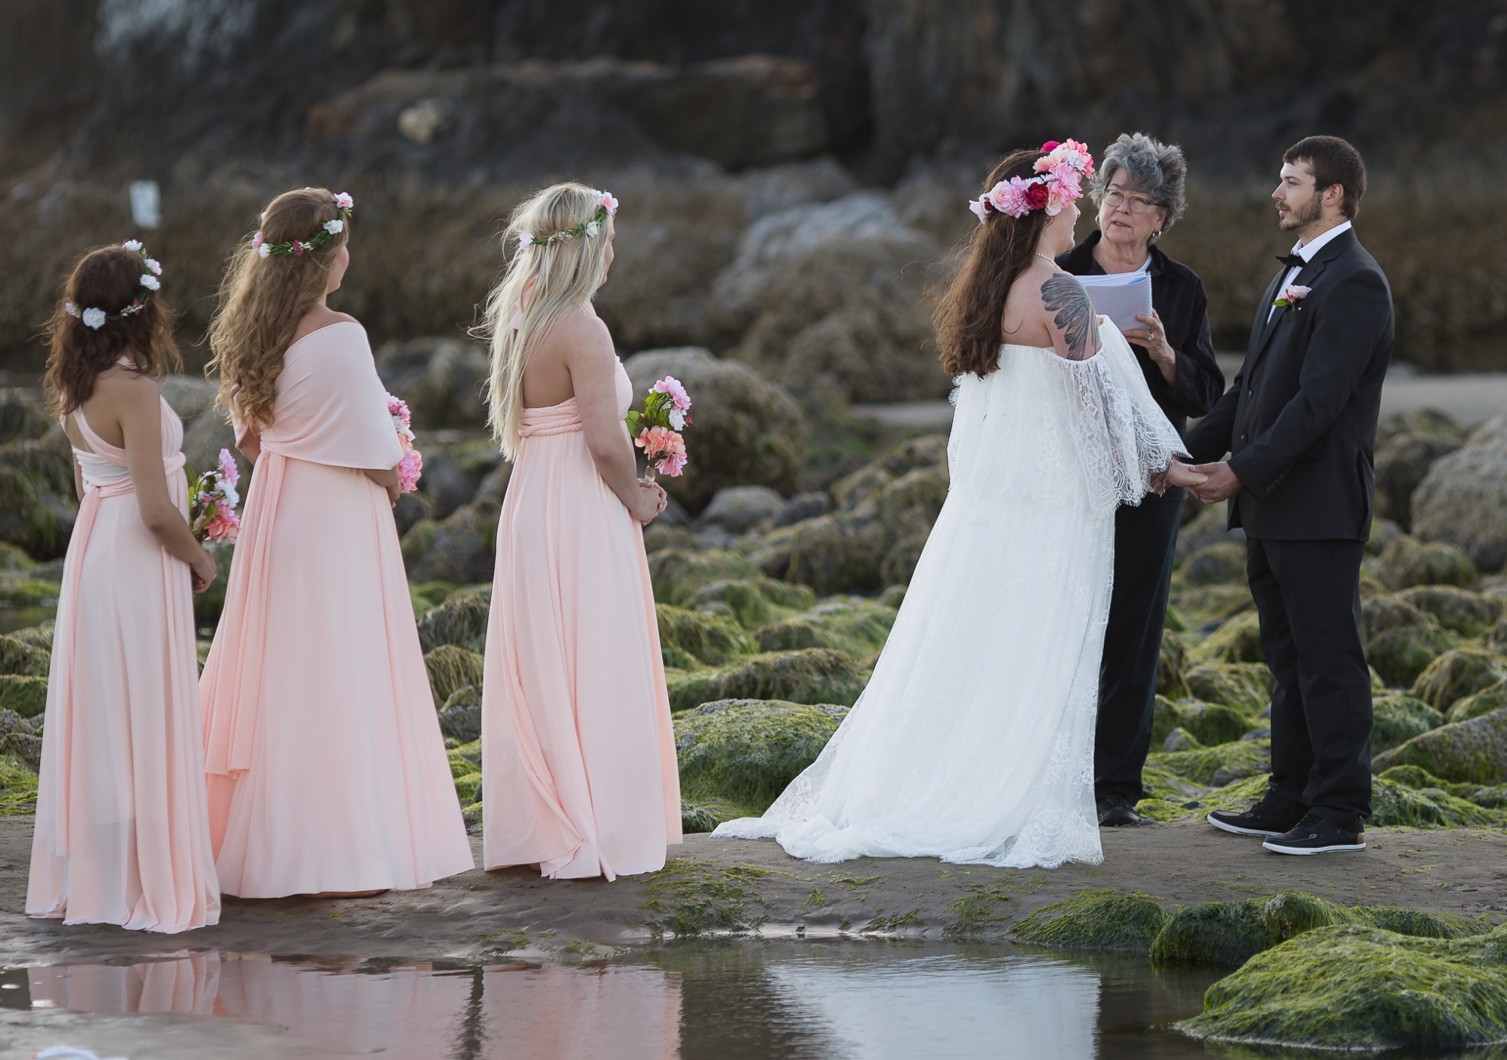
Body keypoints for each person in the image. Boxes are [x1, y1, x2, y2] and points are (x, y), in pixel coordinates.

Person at [711, 141, 1201, 866]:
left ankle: (942, 777)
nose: (1082, 210)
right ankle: (1003, 791)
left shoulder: (989, 288)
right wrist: (1177, 470)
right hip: (1051, 511)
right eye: (1072, 198)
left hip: (990, 507)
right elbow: (1103, 413)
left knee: (977, 643)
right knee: (1037, 649)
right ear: (1045, 210)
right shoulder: (1060, 292)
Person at [200, 188, 473, 898]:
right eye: (344, 244)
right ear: (324, 259)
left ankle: (263, 842)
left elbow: (256, 442)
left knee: (284, 674)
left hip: (279, 514)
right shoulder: (340, 334)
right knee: (337, 673)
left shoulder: (253, 331)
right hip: (337, 525)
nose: (350, 255)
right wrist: (398, 458)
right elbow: (381, 461)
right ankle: (336, 848)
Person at [1185, 136, 1394, 856]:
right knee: (1286, 654)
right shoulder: (1295, 274)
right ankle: (1289, 793)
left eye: (1291, 181)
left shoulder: (1356, 281)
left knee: (1329, 656)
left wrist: (1239, 470)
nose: (1277, 194)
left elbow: (1318, 404)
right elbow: (1250, 392)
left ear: (1331, 194)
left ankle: (1339, 811)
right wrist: (1179, 452)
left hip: (1321, 505)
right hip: (1273, 504)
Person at [476, 182, 681, 880]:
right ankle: (599, 821)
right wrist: (638, 497)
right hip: (582, 503)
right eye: (610, 239)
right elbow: (600, 438)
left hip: (535, 496)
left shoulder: (524, 314)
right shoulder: (582, 328)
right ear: (587, 247)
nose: (615, 251)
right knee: (592, 648)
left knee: (546, 654)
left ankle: (546, 819)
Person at [26, 243, 221, 933]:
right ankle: (148, 875)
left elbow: (92, 484)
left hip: (94, 552)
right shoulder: (133, 391)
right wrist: (198, 555)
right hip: (137, 555)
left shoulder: (76, 388)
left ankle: (107, 871)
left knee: (108, 707)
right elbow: (154, 508)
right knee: (146, 700)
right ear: (144, 309)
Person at [1055, 132, 1223, 827]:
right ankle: (1054, 775)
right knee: (1066, 623)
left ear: (1162, 216)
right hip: (1069, 473)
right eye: (1114, 194)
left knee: (1134, 629)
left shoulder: (1181, 288)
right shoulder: (1059, 271)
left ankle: (1115, 788)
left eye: (1139, 201)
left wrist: (1161, 350)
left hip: (1152, 480)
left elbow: (1207, 392)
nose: (1121, 209)